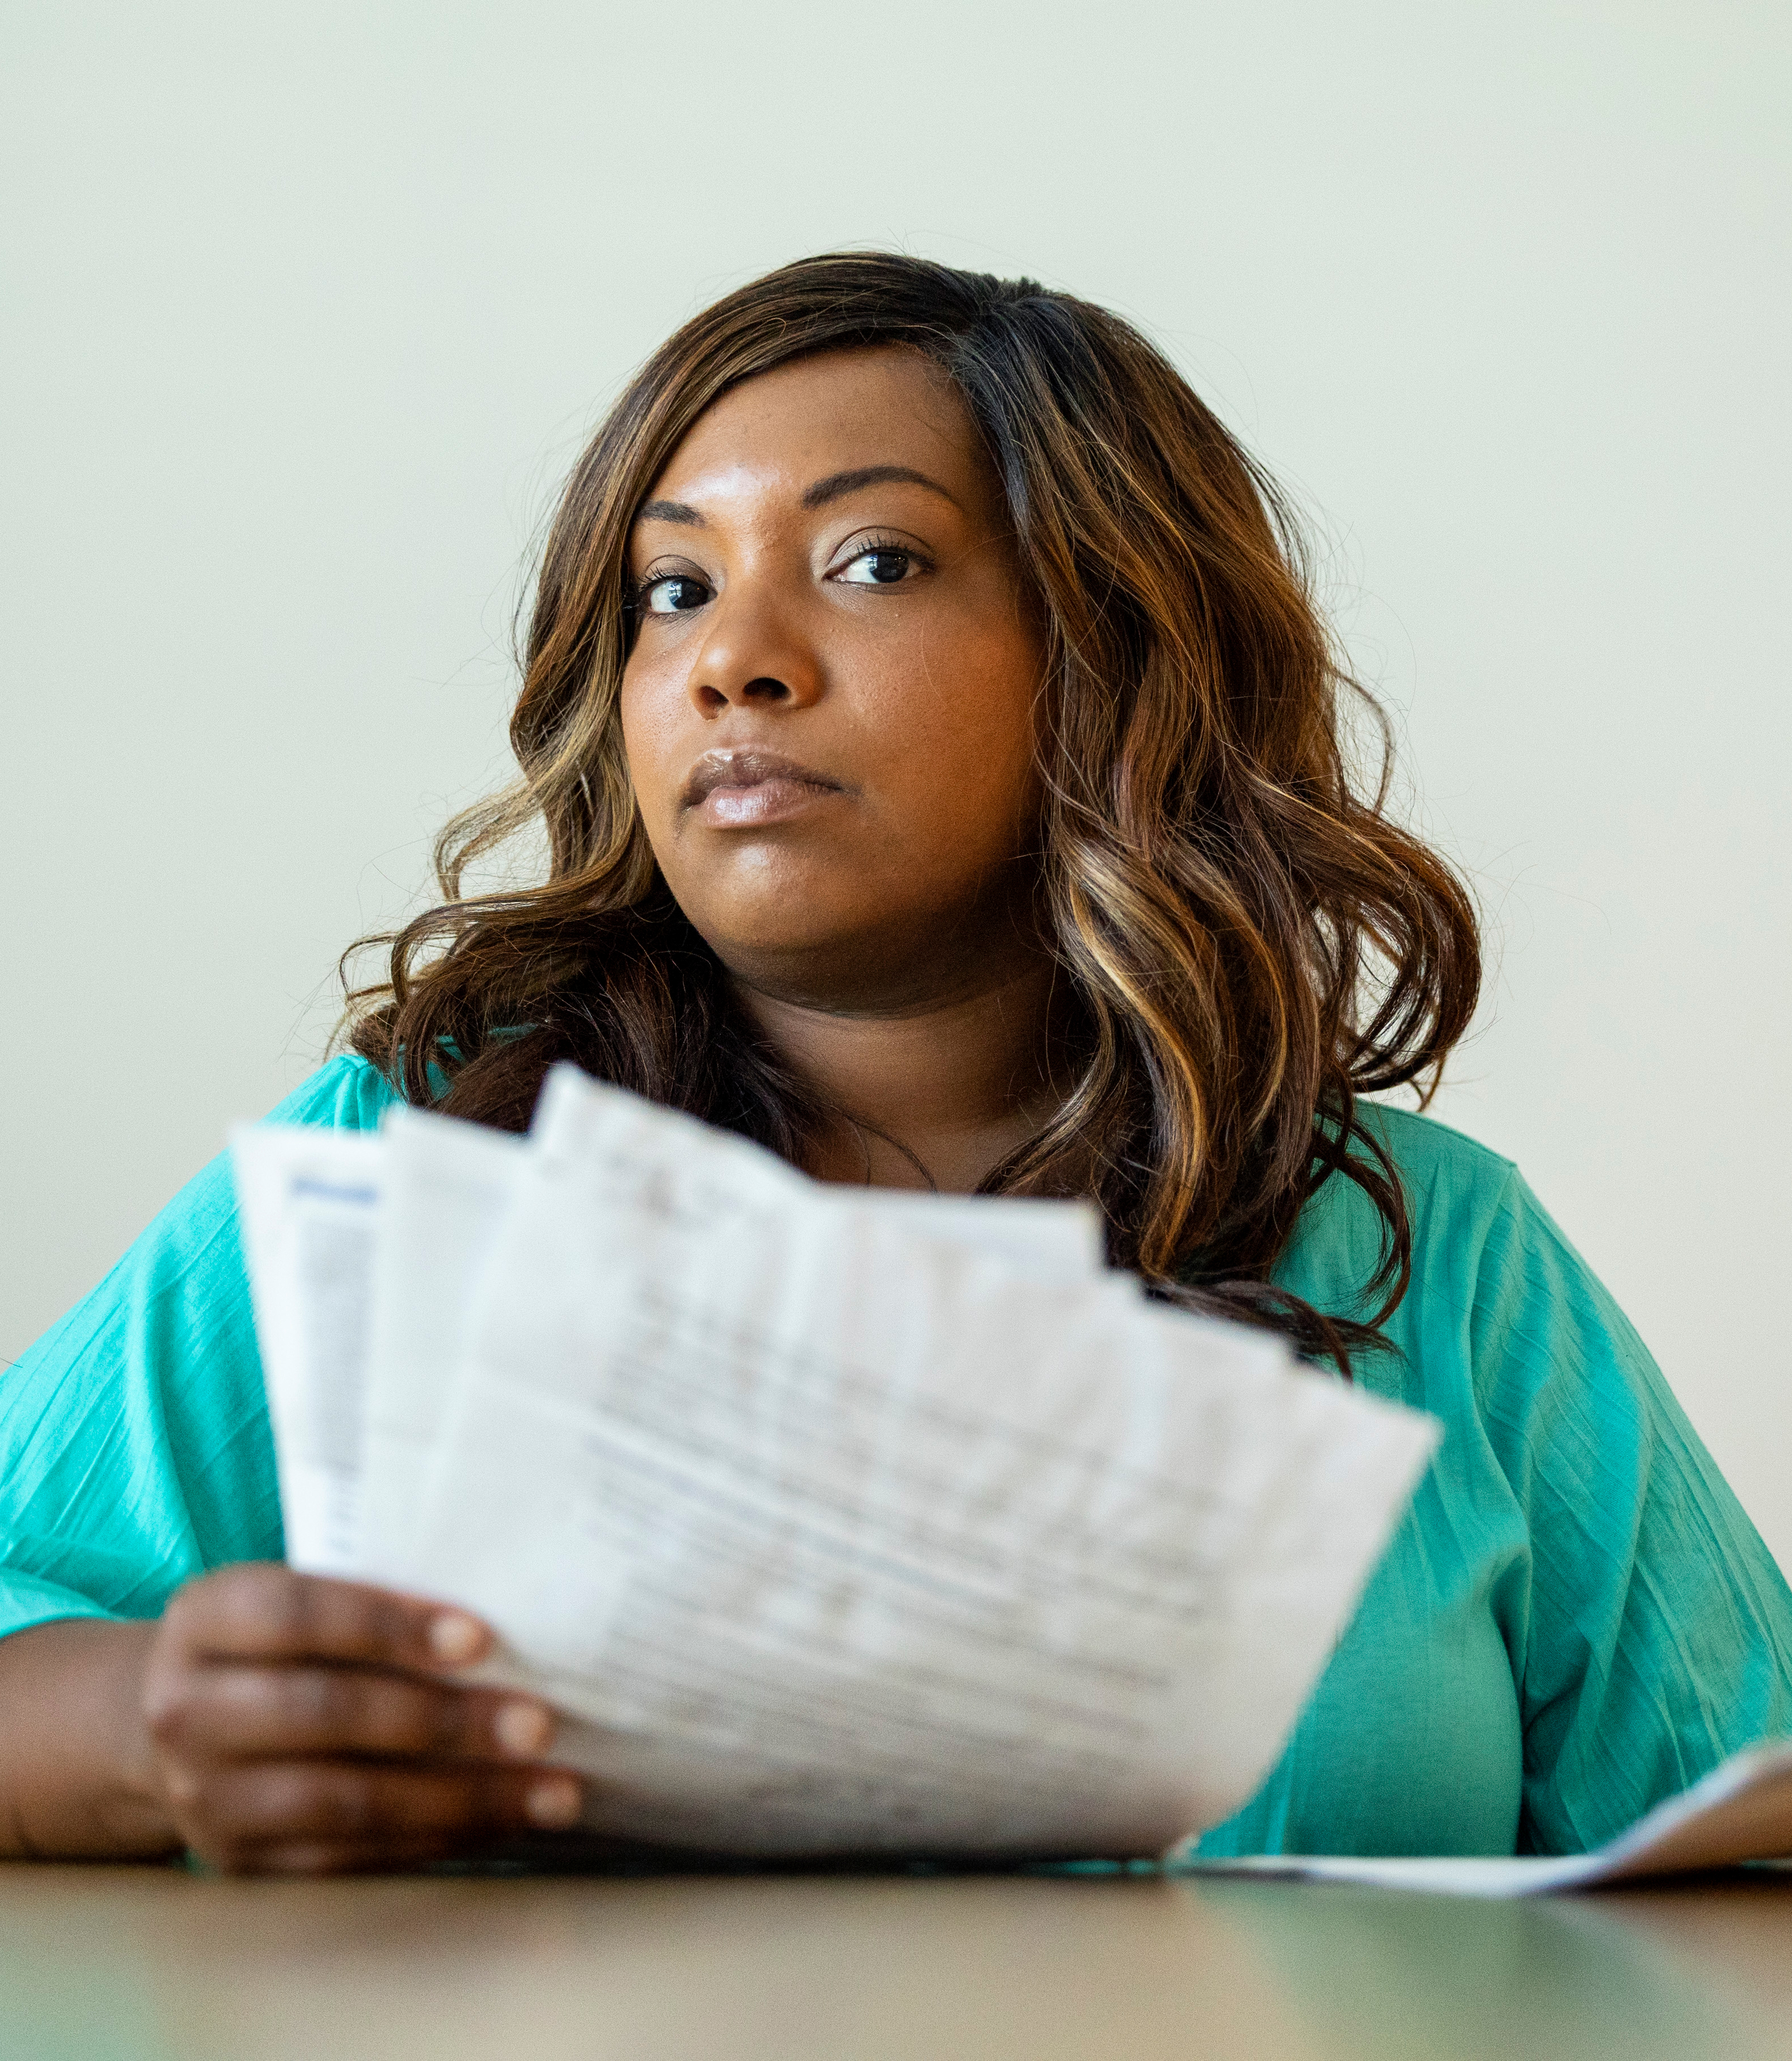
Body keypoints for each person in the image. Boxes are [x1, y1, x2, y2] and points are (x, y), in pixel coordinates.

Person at [3, 254, 1789, 1877]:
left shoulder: (1440, 1258)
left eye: (872, 562)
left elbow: (1738, 1822)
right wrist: (153, 1736)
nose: (730, 666)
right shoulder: (422, 1158)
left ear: (1115, 652)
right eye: (669, 589)